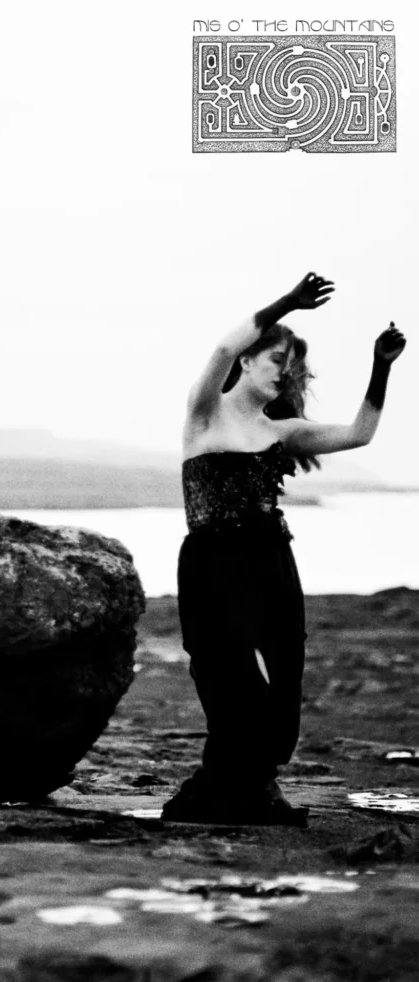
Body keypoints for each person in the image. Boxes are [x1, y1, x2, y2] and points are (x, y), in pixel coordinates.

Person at [161, 272, 407, 826]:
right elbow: (224, 343)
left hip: (272, 560)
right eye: (277, 359)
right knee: (235, 683)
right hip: (213, 564)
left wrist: (381, 367)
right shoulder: (206, 414)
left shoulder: (283, 431)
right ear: (247, 363)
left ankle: (256, 785)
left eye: (290, 366)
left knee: (286, 681)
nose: (285, 372)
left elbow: (360, 433)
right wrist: (290, 304)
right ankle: (223, 788)